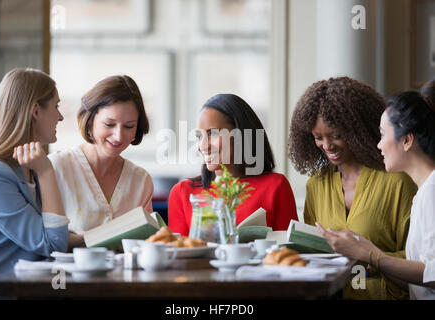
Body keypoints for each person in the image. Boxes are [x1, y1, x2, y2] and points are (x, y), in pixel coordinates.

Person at [288, 77, 417, 299]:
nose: (327, 145)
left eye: (336, 135)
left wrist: (365, 261)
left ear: (357, 128)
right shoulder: (316, 185)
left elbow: (420, 263)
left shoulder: (396, 181)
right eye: (318, 138)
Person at [317, 79, 435, 300]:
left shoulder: (432, 192)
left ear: (407, 140)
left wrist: (371, 255)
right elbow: (416, 281)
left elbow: (432, 275)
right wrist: (367, 251)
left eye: (383, 134)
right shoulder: (423, 193)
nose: (378, 145)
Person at [168, 93, 298, 236]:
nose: (202, 146)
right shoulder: (182, 192)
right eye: (199, 136)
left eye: (212, 133)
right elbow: (176, 253)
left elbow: (287, 252)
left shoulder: (276, 186)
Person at [48, 75, 153, 249]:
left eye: (129, 126)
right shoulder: (56, 168)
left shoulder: (140, 180)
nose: (119, 136)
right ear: (90, 120)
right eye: (109, 124)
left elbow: (145, 244)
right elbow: (40, 240)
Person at [0, 68, 69, 278]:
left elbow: (48, 235)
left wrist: (92, 237)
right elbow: (53, 244)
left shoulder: (29, 167)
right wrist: (46, 171)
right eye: (56, 106)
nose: (60, 117)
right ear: (36, 111)